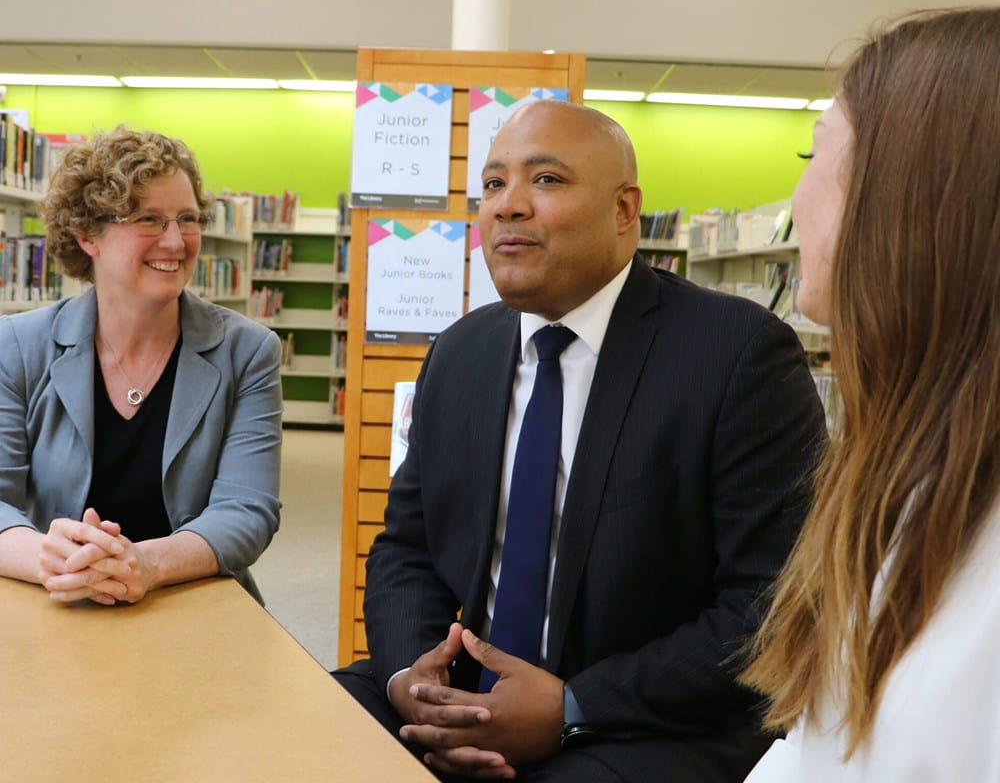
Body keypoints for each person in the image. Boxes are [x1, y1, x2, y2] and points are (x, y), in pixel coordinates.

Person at [335, 99, 827, 782]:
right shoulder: (460, 353)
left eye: (546, 180)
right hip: (468, 689)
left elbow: (768, 607)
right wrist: (413, 683)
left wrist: (571, 704)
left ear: (626, 211)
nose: (508, 205)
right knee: (304, 730)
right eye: (493, 183)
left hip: (641, 717)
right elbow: (406, 547)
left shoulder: (736, 353)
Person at [740, 7, 1000, 781]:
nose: (796, 191)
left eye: (813, 151)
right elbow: (824, 746)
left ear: (907, 196)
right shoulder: (910, 470)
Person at [0, 126, 282, 605]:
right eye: (148, 219)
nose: (175, 241)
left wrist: (147, 565)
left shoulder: (248, 351)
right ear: (88, 234)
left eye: (188, 218)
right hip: (53, 600)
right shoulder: (17, 346)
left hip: (194, 601)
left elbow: (247, 509)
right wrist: (53, 558)